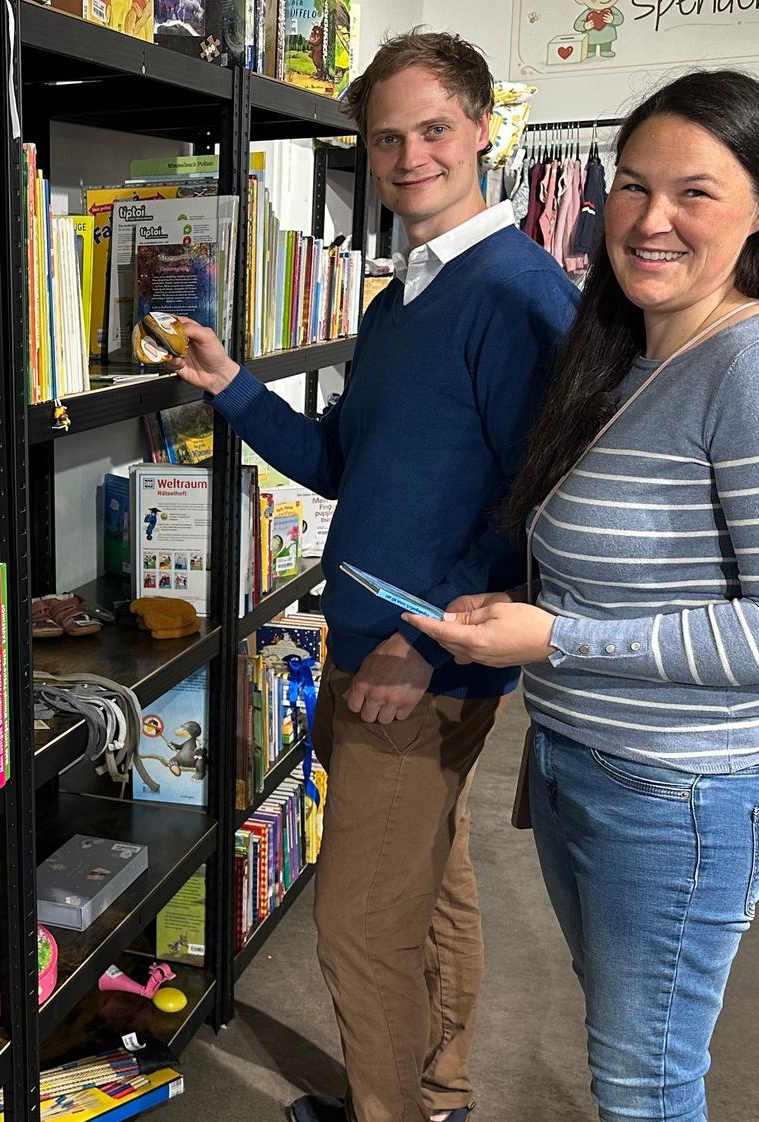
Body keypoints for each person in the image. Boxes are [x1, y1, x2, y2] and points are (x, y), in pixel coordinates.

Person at [404, 70, 759, 1122]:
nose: (650, 222)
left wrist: (553, 637)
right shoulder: (626, 358)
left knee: (644, 1085)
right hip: (582, 768)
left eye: (693, 193)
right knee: (630, 1045)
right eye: (631, 187)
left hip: (678, 796)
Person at [165, 30, 578, 1122]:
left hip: (421, 661)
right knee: (425, 895)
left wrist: (417, 640)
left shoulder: (517, 294)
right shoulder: (403, 300)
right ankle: (434, 1098)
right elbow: (344, 463)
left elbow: (537, 501)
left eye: (432, 129)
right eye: (385, 137)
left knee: (352, 924)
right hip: (376, 646)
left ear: (483, 130)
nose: (408, 157)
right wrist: (232, 387)